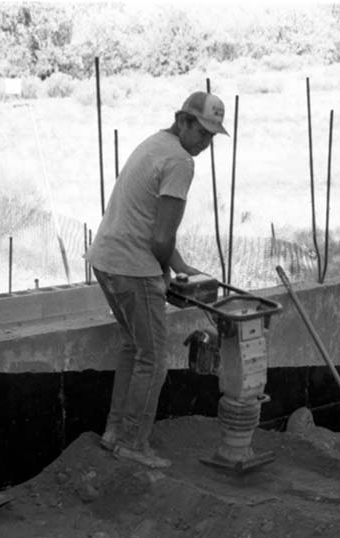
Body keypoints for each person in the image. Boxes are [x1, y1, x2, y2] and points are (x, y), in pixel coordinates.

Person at [84, 91, 228, 469]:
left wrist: (177, 267)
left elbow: (157, 231)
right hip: (134, 267)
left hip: (106, 259)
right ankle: (133, 443)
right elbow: (161, 238)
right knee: (155, 360)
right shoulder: (180, 161)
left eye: (213, 136)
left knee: (134, 347)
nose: (206, 143)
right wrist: (175, 268)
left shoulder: (154, 143)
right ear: (183, 121)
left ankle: (115, 432)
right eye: (202, 132)